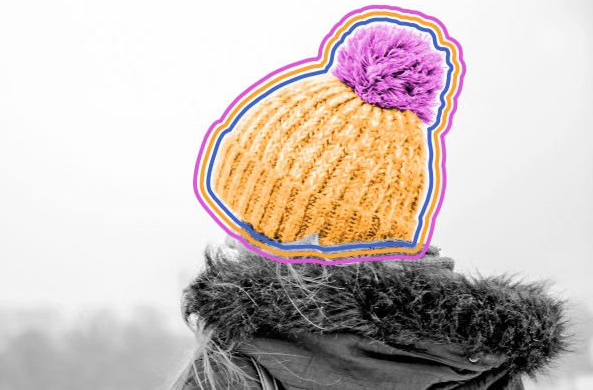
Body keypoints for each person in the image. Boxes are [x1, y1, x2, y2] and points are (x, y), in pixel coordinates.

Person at [172, 20, 568, 389]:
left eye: (248, 220)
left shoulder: (230, 365)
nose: (227, 240)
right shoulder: (478, 365)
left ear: (308, 236)